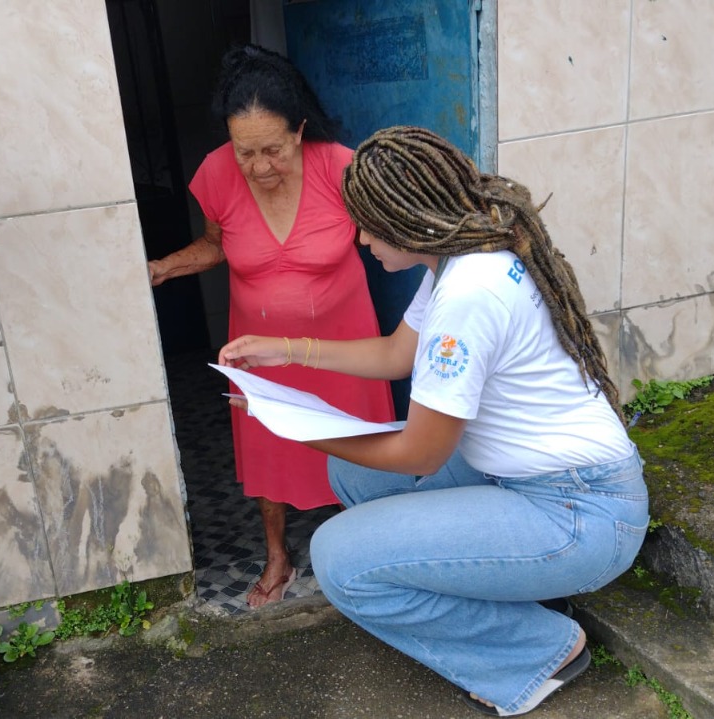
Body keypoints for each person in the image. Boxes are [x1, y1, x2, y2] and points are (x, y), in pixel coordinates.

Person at [217, 126, 649, 715]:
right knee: (353, 480)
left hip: (578, 513)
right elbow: (398, 356)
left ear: (406, 217)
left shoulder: (469, 294)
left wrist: (294, 423)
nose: (362, 237)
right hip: (530, 481)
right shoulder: (458, 261)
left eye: (369, 223)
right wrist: (287, 349)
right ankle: (509, 591)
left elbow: (419, 455)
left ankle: (539, 650)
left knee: (340, 560)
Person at [148, 45, 393, 608]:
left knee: (359, 444)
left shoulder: (340, 166)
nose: (259, 166)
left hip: (344, 347)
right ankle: (278, 556)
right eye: (245, 152)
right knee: (269, 449)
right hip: (260, 353)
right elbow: (214, 245)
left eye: (273, 150)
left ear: (300, 129)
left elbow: (388, 234)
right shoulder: (215, 173)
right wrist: (161, 268)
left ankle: (370, 550)